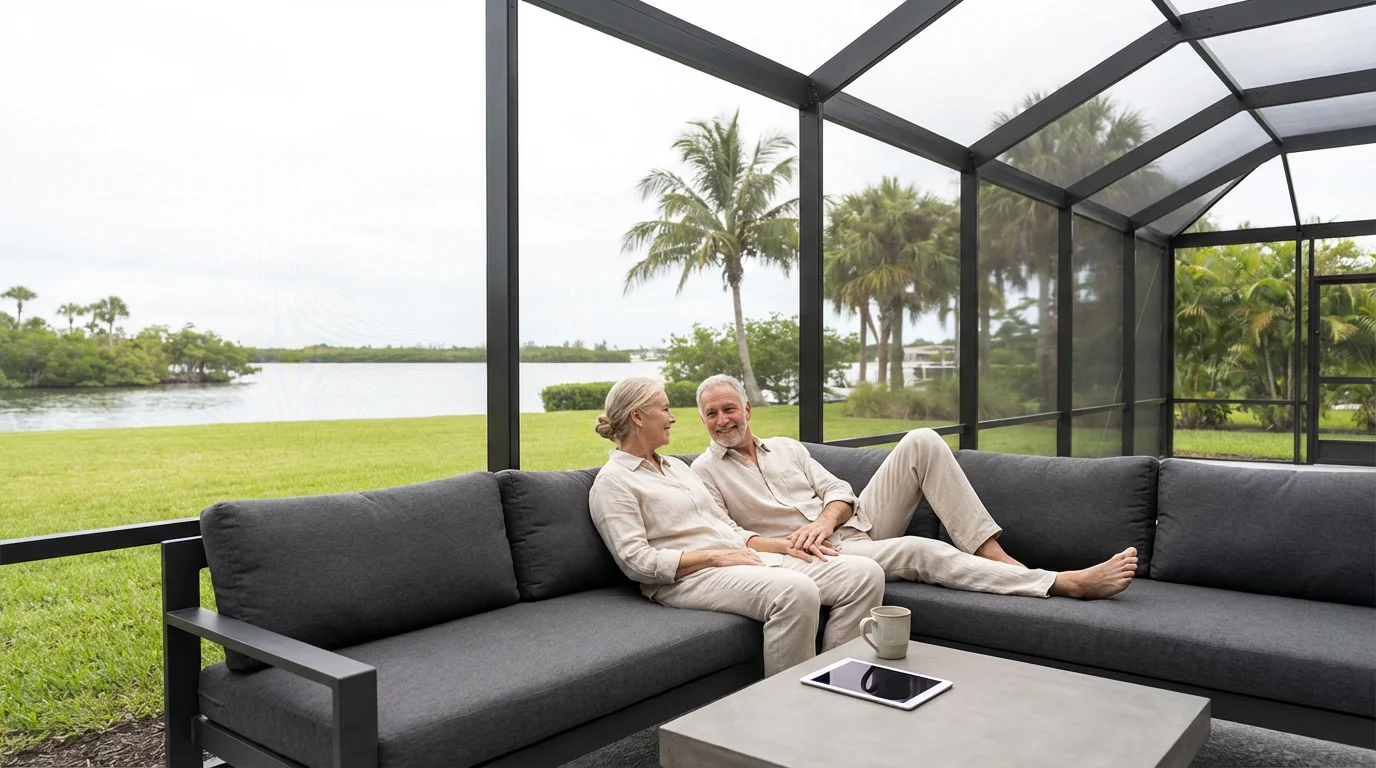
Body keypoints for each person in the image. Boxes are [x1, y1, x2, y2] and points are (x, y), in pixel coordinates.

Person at [690, 374, 1138, 600]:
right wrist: (790, 544)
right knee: (921, 550)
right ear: (703, 420)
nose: (722, 420)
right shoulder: (704, 472)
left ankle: (991, 552)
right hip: (820, 557)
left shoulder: (787, 448)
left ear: (747, 408)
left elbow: (840, 492)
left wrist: (827, 520)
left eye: (728, 408)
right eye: (711, 414)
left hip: (856, 526)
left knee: (921, 440)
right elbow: (729, 535)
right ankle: (1059, 583)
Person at [588, 376, 886, 677]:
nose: (672, 417)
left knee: (864, 574)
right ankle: (790, 709)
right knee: (795, 592)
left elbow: (726, 527)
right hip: (689, 578)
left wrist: (781, 545)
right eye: (665, 409)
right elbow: (635, 561)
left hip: (741, 558)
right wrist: (715, 556)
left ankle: (837, 679)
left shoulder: (676, 468)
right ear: (638, 416)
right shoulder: (613, 481)